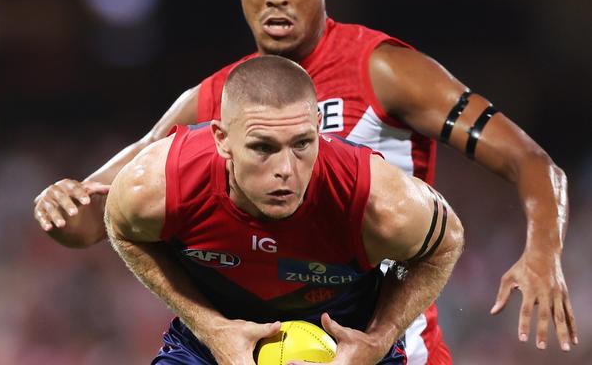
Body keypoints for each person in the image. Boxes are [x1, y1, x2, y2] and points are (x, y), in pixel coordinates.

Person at [33, 0, 578, 361]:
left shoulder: (385, 70)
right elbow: (89, 221)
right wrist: (60, 200)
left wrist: (543, 251)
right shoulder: (218, 98)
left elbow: (530, 162)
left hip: (378, 341)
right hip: (262, 343)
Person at [105, 55, 465, 365]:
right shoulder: (158, 185)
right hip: (211, 345)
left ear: (319, 129)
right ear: (221, 139)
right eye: (263, 147)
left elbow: (447, 242)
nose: (286, 170)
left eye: (302, 144)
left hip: (347, 346)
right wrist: (211, 327)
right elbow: (121, 228)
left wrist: (379, 338)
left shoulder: (376, 200)